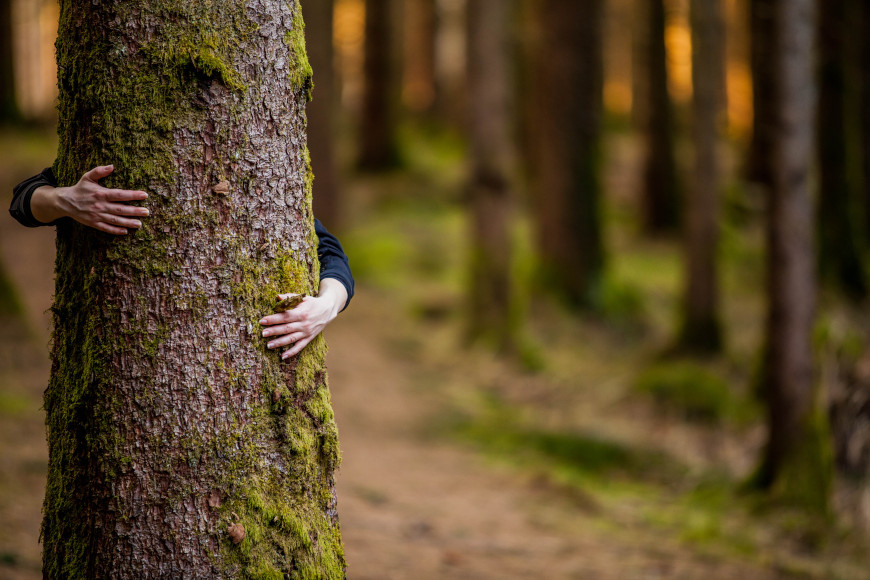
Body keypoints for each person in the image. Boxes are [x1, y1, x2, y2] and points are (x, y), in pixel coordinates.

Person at [10, 164, 353, 359]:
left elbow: (330, 252)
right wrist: (62, 199)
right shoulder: (118, 143)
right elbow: (23, 201)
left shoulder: (263, 169)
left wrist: (327, 305)